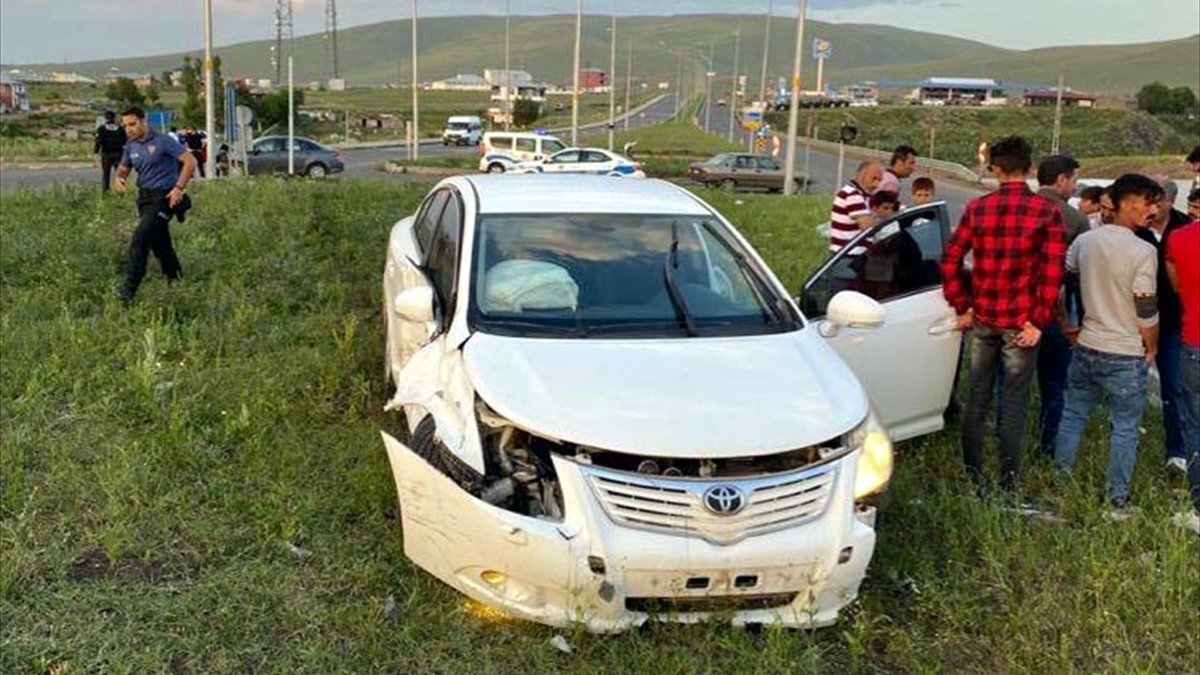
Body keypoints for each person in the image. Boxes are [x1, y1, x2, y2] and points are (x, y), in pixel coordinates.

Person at [941, 135, 1066, 500]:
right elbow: (1052, 273)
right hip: (1021, 326)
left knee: (976, 399)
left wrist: (962, 305)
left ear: (994, 170)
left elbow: (950, 260)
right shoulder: (1047, 212)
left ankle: (972, 476)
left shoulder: (977, 209)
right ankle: (1008, 482)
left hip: (983, 319)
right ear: (1029, 168)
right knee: (1013, 405)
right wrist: (1038, 321)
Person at [1053, 174, 1164, 515]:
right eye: (1149, 203)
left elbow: (1061, 280)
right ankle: (1116, 499)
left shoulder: (1086, 241)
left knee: (1072, 417)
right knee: (1125, 428)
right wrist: (1152, 346)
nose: (1154, 210)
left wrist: (1065, 323)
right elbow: (1145, 305)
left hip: (1087, 344)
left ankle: (1060, 486)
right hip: (1125, 352)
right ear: (1129, 204)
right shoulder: (1143, 250)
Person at [1032, 155, 1091, 457]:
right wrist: (1069, 321)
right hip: (1054, 310)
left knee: (1009, 385)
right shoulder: (1075, 219)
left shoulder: (1023, 207)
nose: (1075, 187)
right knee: (1054, 385)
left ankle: (1007, 446)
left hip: (1013, 310)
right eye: (1074, 180)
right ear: (1061, 180)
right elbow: (1073, 274)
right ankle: (1047, 446)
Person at [1134, 176, 1191, 473]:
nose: (1151, 209)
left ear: (1170, 201)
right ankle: (1125, 447)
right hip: (1132, 322)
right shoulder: (1133, 228)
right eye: (1148, 202)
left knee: (1173, 387)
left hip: (1171, 321)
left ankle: (1176, 451)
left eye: (1157, 202)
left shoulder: (1184, 227)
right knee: (1128, 388)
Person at [114, 106, 196, 304]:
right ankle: (175, 280)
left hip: (164, 197)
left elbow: (190, 161)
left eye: (132, 124)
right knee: (161, 245)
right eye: (125, 126)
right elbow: (123, 169)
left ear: (144, 121)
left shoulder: (163, 141)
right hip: (145, 199)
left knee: (141, 236)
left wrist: (178, 188)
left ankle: (129, 289)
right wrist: (119, 179)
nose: (129, 129)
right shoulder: (131, 146)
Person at [1165, 217, 1200, 533]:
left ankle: (1199, 507)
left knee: (1195, 425)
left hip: (1195, 342)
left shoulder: (1178, 238)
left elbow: (1177, 286)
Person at [828, 160, 883, 256]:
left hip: (844, 253)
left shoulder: (855, 193)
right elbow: (868, 228)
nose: (876, 185)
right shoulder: (853, 195)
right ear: (861, 175)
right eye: (873, 179)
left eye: (879, 180)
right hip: (849, 255)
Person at [93, 110, 127, 192]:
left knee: (106, 175)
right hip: (118, 154)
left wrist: (96, 153)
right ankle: (121, 191)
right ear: (114, 118)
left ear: (105, 118)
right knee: (119, 175)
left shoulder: (101, 129)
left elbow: (98, 142)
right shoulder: (120, 129)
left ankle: (105, 193)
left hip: (106, 154)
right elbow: (125, 141)